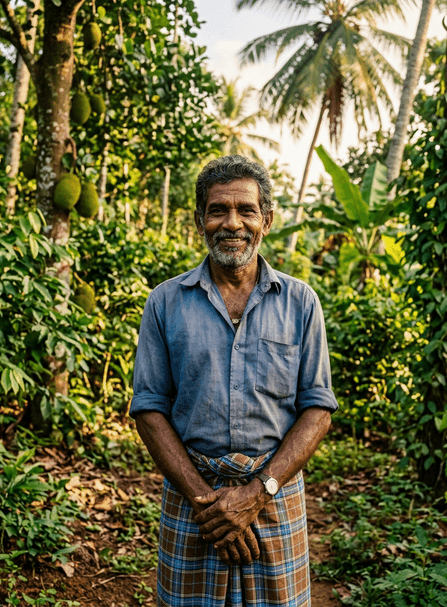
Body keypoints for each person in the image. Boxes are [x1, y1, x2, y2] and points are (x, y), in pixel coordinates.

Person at [130, 155, 338, 607]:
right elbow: (148, 408)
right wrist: (209, 505)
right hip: (193, 500)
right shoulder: (165, 303)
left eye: (245, 210)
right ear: (200, 219)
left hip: (273, 495)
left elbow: (317, 410)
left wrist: (257, 493)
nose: (232, 223)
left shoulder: (301, 302)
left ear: (266, 219)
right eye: (218, 210)